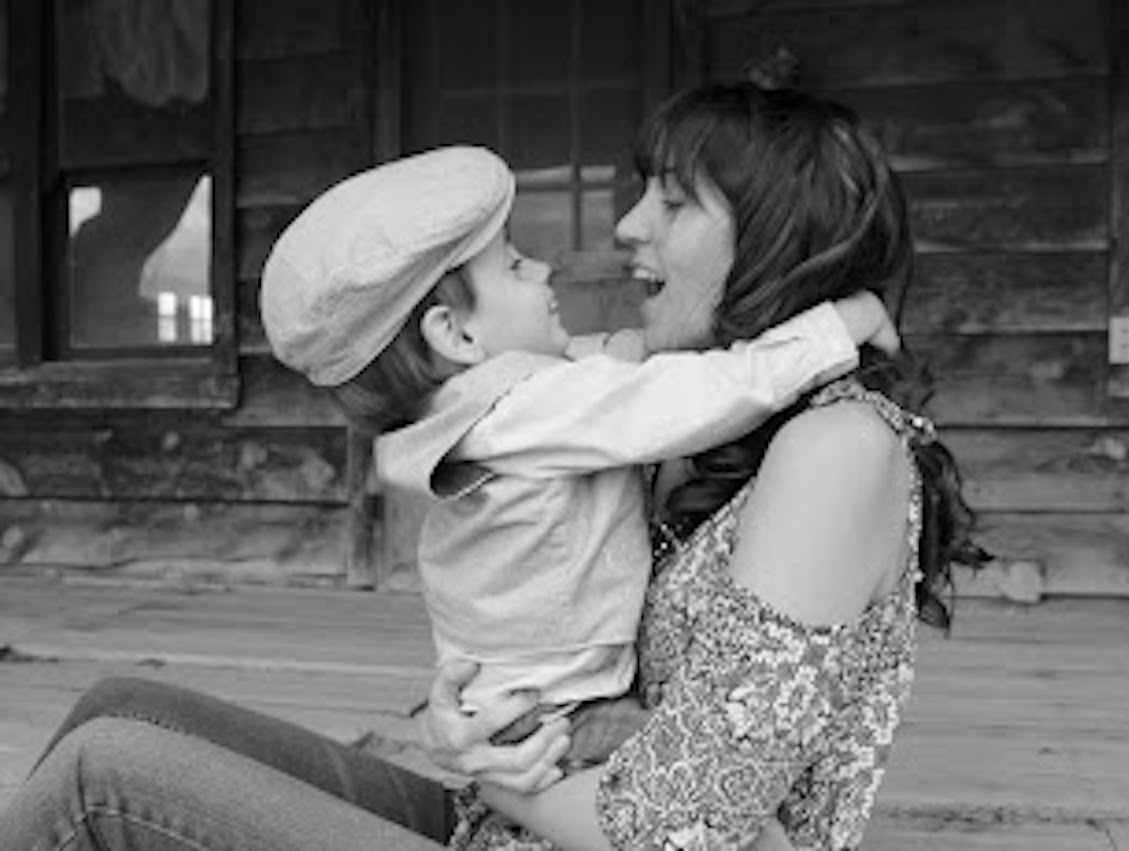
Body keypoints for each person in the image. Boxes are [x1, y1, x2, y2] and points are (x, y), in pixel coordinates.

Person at [0, 82, 981, 851]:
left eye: (670, 202)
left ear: (774, 237)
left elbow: (680, 828)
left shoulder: (836, 445)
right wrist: (464, 727)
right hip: (514, 814)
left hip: (553, 823)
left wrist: (497, 768)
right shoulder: (690, 423)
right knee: (124, 707)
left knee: (103, 779)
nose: (625, 226)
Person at [259, 143, 899, 771]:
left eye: (673, 203)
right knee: (699, 772)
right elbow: (696, 395)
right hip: (564, 710)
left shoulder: (473, 410)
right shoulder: (524, 410)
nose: (541, 271)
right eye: (513, 268)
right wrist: (840, 325)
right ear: (456, 334)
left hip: (510, 699)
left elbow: (608, 362)